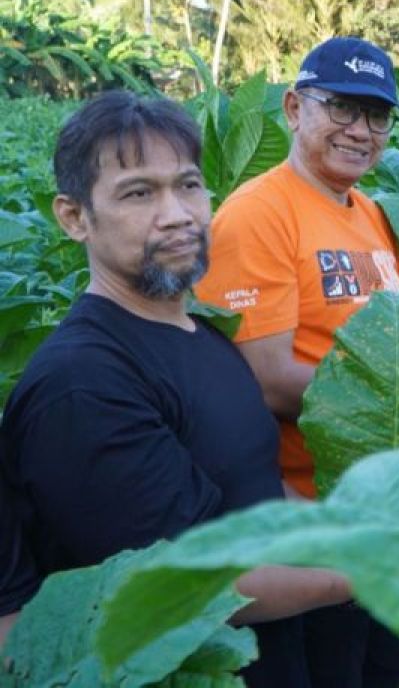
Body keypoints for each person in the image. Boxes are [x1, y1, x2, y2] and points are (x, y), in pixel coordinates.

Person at [0, 91, 356, 685]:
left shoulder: (206, 336)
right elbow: (198, 581)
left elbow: (256, 491)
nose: (177, 214)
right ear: (74, 217)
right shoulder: (83, 384)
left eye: (188, 186)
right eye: (139, 193)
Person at [195, 36, 399, 687]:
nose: (360, 130)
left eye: (377, 116)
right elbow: (266, 380)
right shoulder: (259, 213)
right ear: (293, 108)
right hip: (299, 524)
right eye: (341, 107)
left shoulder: (368, 212)